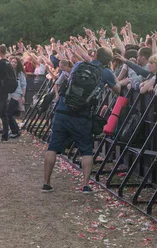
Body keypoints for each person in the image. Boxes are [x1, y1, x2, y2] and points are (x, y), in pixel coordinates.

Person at [42, 47, 121, 193]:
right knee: (86, 149)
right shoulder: (106, 73)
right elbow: (118, 89)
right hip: (83, 114)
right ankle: (85, 185)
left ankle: (46, 183)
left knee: (52, 147)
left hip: (63, 109)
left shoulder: (79, 65)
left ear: (95, 55)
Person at [6, 56, 26, 138]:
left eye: (15, 62)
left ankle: (16, 131)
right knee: (9, 114)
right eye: (12, 61)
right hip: (9, 95)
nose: (13, 63)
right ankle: (15, 130)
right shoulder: (8, 72)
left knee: (8, 113)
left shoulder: (20, 74)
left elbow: (24, 85)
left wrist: (23, 96)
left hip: (17, 95)